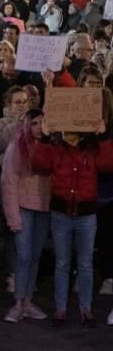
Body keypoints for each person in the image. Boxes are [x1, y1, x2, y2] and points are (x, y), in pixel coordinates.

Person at [32, 103, 113, 327]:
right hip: (61, 213)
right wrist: (45, 139)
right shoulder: (55, 147)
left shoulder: (92, 148)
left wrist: (104, 135)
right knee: (62, 263)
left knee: (86, 264)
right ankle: (61, 309)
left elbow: (108, 164)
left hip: (86, 215)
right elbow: (39, 164)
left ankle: (86, 310)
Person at [1, 109, 50, 323]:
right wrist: (13, 217)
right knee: (23, 257)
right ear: (27, 125)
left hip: (44, 210)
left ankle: (28, 301)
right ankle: (18, 302)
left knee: (35, 256)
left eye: (42, 123)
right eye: (35, 123)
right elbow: (8, 183)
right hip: (23, 208)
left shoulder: (51, 148)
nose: (39, 128)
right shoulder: (16, 147)